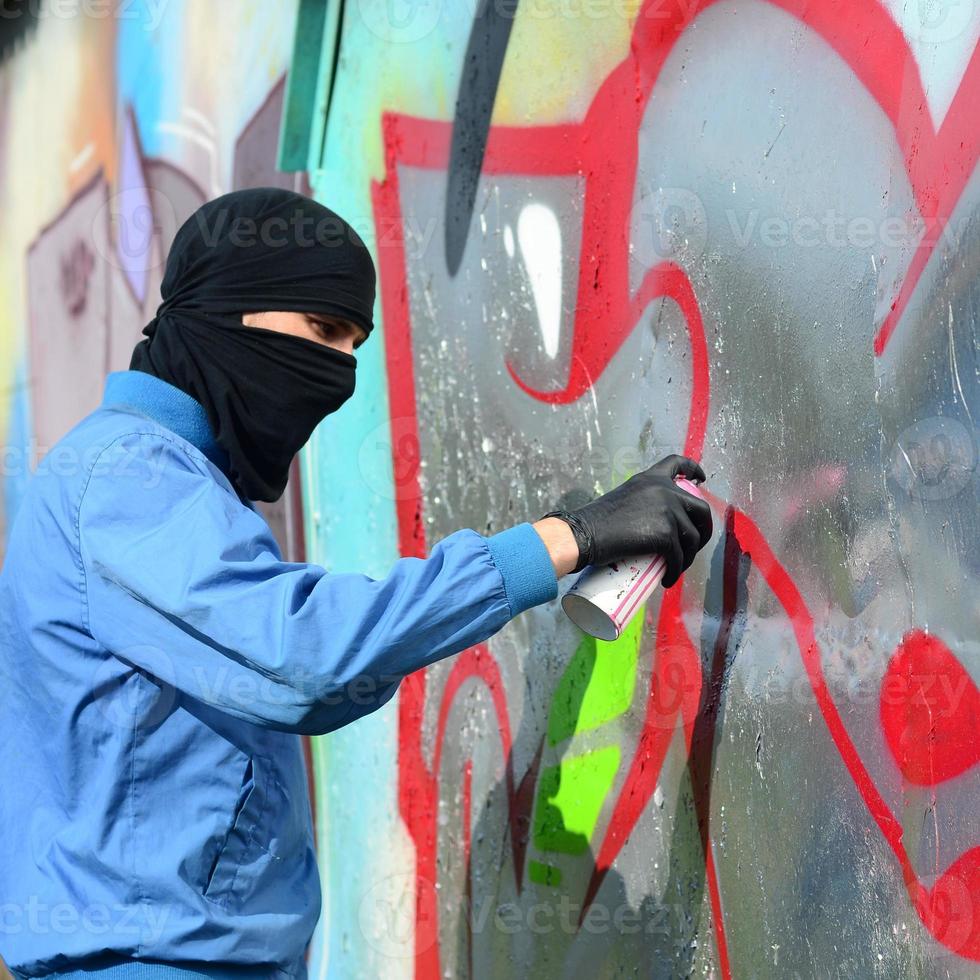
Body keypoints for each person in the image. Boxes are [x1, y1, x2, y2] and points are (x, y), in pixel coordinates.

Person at [0, 188, 712, 979]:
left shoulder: (166, 480)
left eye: (354, 342)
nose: (338, 369)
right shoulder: (130, 479)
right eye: (321, 331)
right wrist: (564, 542)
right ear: (231, 307)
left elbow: (311, 677)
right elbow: (306, 655)